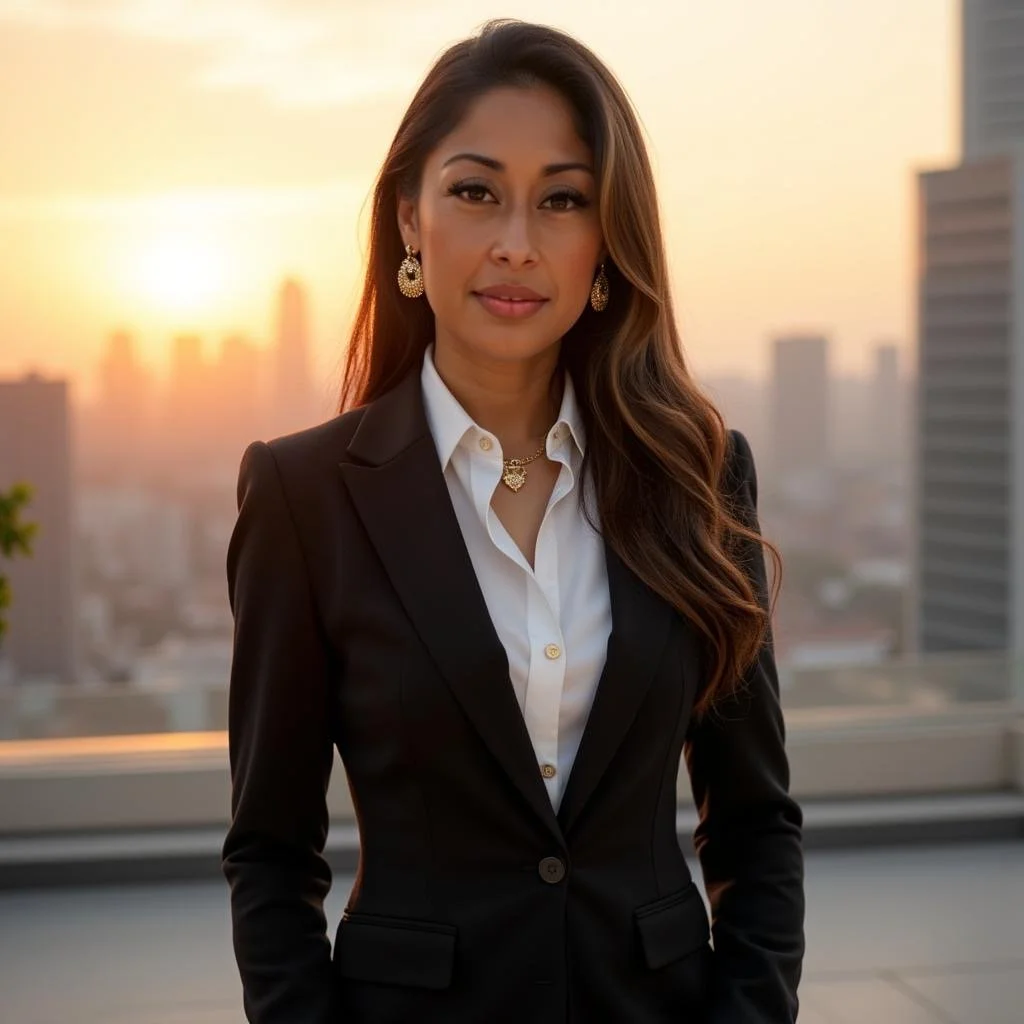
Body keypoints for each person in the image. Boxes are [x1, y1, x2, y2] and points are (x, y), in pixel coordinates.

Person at [222, 18, 805, 1024]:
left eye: (563, 200)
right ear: (411, 217)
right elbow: (271, 852)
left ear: (606, 238)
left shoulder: (699, 477)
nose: (515, 245)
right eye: (475, 190)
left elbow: (753, 822)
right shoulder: (303, 496)